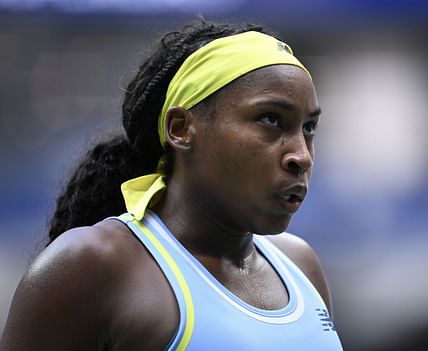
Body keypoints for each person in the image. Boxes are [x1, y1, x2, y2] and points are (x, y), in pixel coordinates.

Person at [0, 20, 343, 350]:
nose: (302, 155)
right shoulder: (92, 265)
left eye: (308, 128)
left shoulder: (301, 265)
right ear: (181, 128)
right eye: (270, 119)